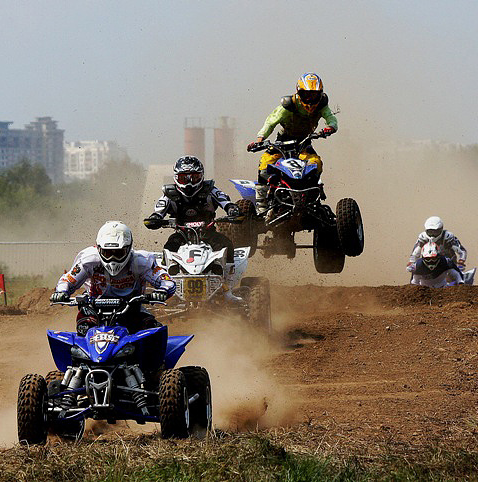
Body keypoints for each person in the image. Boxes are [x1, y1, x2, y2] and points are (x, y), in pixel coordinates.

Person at [50, 221, 176, 336]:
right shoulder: (89, 260)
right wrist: (61, 292)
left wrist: (162, 291)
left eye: (118, 253)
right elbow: (68, 280)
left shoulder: (141, 261)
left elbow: (166, 281)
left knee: (153, 331)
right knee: (84, 328)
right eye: (107, 253)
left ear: (128, 249)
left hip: (131, 308)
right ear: (99, 249)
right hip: (93, 307)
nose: (112, 259)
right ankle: (77, 353)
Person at [143, 155, 242, 301]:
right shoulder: (169, 194)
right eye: (184, 178)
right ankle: (166, 288)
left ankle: (227, 289)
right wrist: (155, 219)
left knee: (227, 245)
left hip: (208, 233)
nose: (189, 183)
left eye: (194, 177)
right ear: (176, 177)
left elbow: (225, 201)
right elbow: (158, 211)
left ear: (201, 176)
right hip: (181, 235)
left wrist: (232, 209)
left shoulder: (210, 190)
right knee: (168, 249)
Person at [247, 72, 338, 216]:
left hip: (304, 142)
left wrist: (330, 127)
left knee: (316, 163)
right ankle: (262, 205)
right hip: (282, 142)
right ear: (299, 92)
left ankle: (313, 196)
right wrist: (260, 139)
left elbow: (331, 119)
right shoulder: (289, 105)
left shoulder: (321, 105)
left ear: (320, 94)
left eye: (314, 95)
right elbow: (271, 122)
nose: (310, 99)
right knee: (265, 164)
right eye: (306, 94)